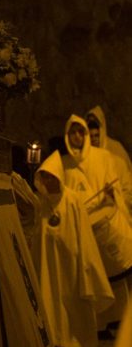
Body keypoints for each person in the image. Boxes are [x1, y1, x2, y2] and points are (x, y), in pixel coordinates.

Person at [32, 151, 113, 347]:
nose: (49, 181)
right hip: (49, 265)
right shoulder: (41, 203)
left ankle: (75, 341)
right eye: (45, 177)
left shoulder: (73, 200)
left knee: (72, 304)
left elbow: (83, 234)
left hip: (71, 263)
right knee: (51, 302)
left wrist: (86, 264)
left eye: (52, 177)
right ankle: (56, 342)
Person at [62, 115, 132, 332]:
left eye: (80, 132)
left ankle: (119, 320)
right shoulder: (65, 163)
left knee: (115, 278)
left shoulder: (103, 157)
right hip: (81, 227)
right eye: (73, 132)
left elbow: (115, 187)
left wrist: (111, 198)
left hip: (104, 225)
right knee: (91, 277)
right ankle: (98, 324)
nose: (77, 136)